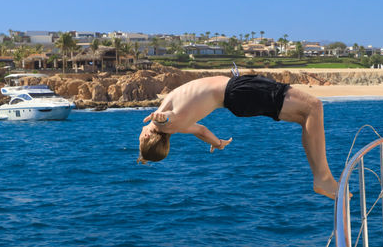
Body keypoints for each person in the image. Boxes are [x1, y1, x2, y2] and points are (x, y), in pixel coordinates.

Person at [138, 74, 339, 199]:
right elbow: (167, 118)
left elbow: (201, 131)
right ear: (147, 136)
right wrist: (159, 117)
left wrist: (218, 143)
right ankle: (322, 177)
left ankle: (321, 177)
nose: (139, 134)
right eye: (140, 140)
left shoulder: (174, 129)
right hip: (239, 92)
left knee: (306, 116)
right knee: (313, 106)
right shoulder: (163, 123)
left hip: (238, 99)